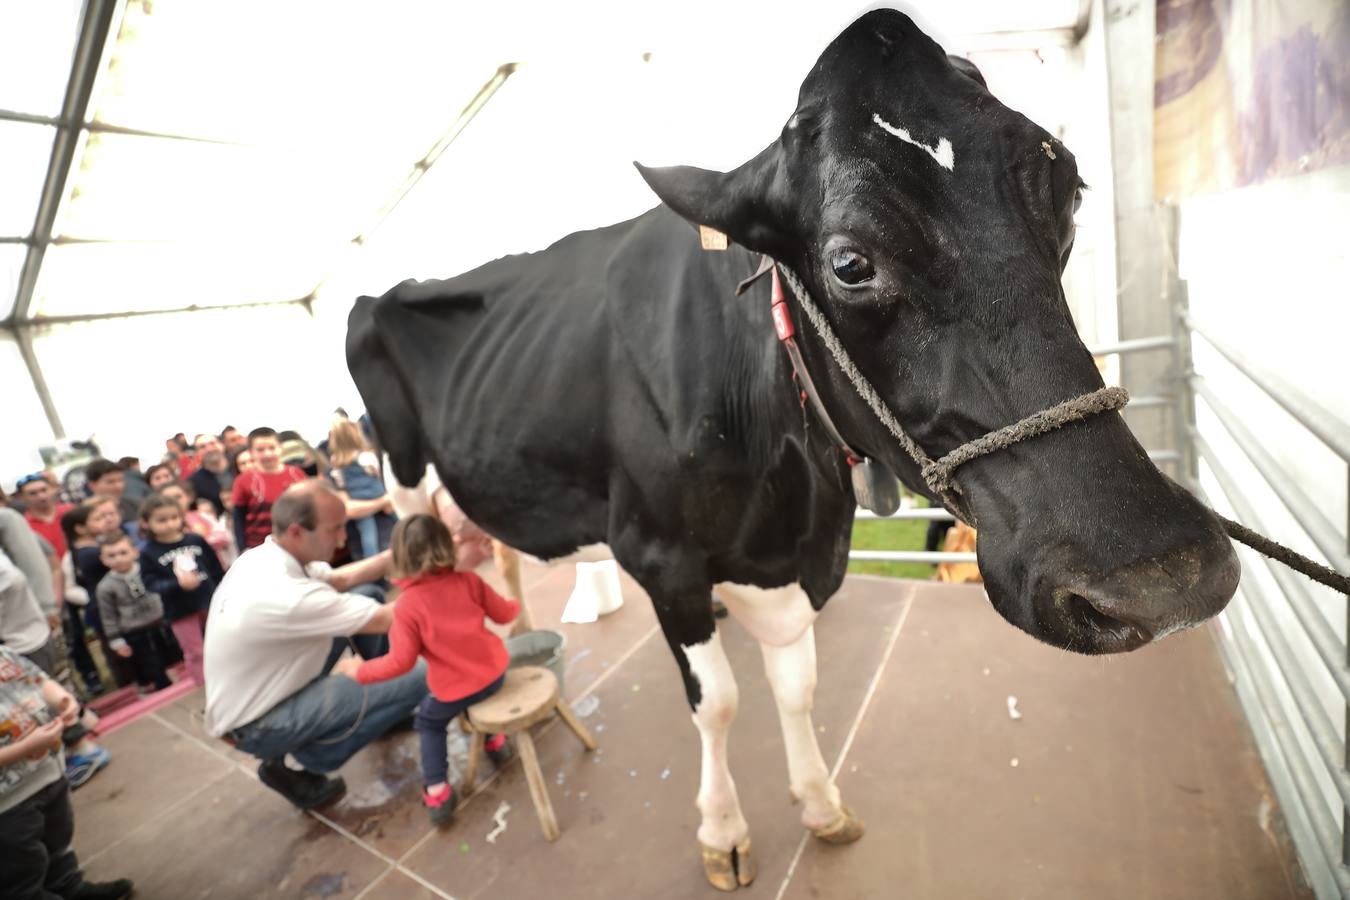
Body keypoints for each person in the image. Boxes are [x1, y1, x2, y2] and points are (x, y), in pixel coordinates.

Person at [204, 480, 428, 809]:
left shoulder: (267, 556)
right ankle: (309, 758)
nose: (342, 538)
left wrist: (401, 553)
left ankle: (384, 707)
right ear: (297, 531)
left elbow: (341, 581)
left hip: (262, 689)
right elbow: (387, 619)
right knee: (424, 674)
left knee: (366, 594)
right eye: (335, 529)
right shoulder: (286, 595)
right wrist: (456, 584)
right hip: (259, 723)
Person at [334, 514, 518, 826]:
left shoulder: (407, 607)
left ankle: (438, 791)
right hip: (494, 672)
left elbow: (400, 663)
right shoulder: (470, 581)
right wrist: (515, 603)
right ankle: (494, 742)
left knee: (429, 723)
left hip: (454, 689)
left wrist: (359, 671)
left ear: (400, 558)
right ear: (448, 545)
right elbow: (503, 615)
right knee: (477, 696)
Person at [0, 645, 134, 900]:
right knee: (20, 869)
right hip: (7, 803)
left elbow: (36, 679)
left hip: (48, 772)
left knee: (58, 841)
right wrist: (25, 748)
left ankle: (68, 885)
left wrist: (63, 700)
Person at [138, 493, 224, 687]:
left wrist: (222, 590)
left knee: (222, 640)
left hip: (209, 600)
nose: (169, 524)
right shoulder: (148, 552)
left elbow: (215, 567)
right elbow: (149, 583)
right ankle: (205, 686)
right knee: (195, 651)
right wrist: (177, 585)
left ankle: (229, 677)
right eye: (161, 520)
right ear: (146, 523)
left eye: (174, 517)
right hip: (179, 610)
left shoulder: (195, 540)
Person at [94, 532, 173, 693]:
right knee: (150, 665)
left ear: (134, 552)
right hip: (135, 631)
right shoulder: (105, 587)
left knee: (172, 658)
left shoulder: (148, 570)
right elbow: (108, 616)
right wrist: (116, 640)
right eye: (111, 555)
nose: (118, 558)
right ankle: (161, 691)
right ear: (103, 560)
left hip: (161, 621)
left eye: (123, 553)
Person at [229, 428, 308, 551]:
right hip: (260, 548)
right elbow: (238, 519)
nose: (267, 454)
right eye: (260, 450)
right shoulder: (243, 481)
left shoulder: (297, 474)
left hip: (298, 544)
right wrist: (243, 548)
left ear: (280, 448)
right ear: (251, 452)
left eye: (272, 448)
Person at [325, 419, 391, 560]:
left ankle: (371, 561)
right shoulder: (366, 456)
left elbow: (341, 485)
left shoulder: (336, 464)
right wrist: (383, 499)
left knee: (367, 535)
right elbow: (377, 474)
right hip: (377, 494)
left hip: (357, 500)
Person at [17, 472, 73, 560]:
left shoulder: (70, 511)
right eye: (32, 493)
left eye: (44, 490)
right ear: (21, 497)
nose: (41, 496)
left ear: (51, 489)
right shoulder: (23, 526)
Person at [188, 433, 234, 517]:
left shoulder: (239, 465)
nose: (209, 449)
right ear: (197, 453)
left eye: (213, 443)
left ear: (222, 445)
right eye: (203, 447)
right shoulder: (194, 482)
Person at [82, 459, 139, 525]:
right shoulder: (83, 514)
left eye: (121, 480)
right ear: (92, 485)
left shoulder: (136, 504)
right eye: (110, 482)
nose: (118, 486)